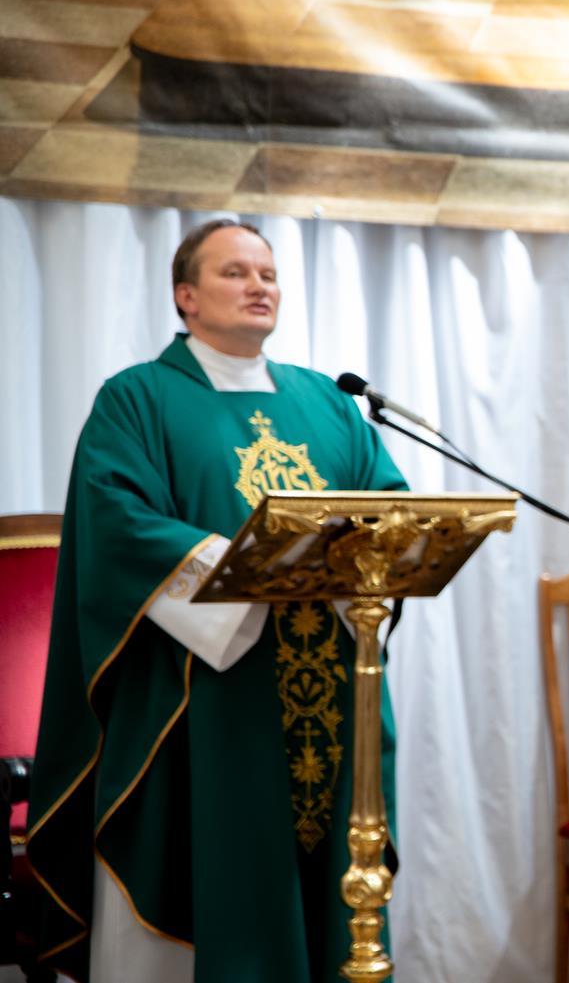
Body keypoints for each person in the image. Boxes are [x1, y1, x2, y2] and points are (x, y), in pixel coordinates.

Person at [26, 220, 407, 983]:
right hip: (202, 699)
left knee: (330, 893)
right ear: (186, 296)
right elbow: (117, 522)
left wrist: (356, 551)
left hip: (331, 694)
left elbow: (388, 506)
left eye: (268, 273)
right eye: (235, 272)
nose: (259, 285)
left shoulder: (329, 402)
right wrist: (249, 570)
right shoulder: (137, 398)